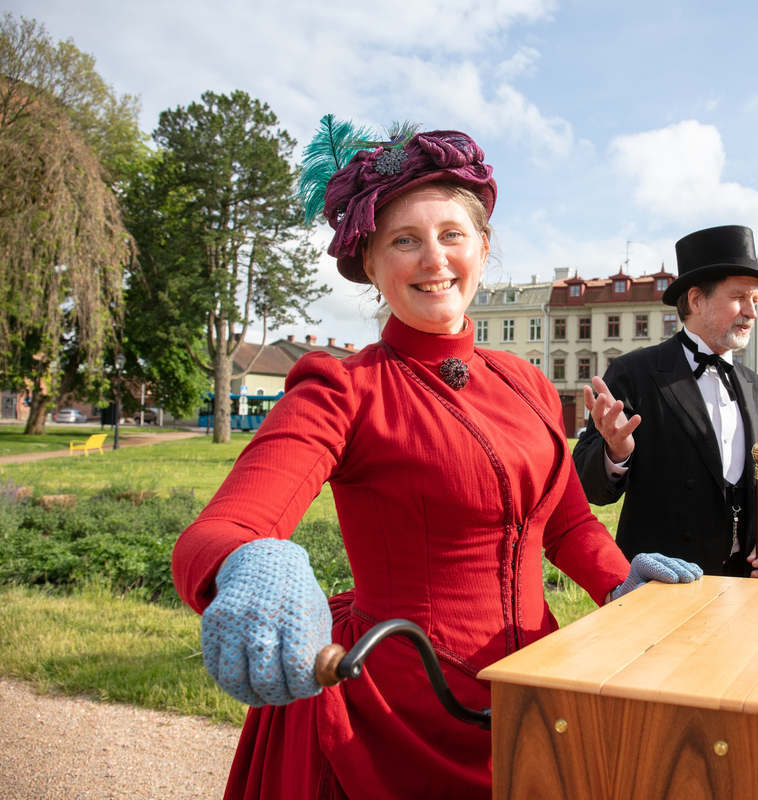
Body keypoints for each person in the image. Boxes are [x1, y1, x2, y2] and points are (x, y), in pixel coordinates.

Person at [171, 124, 701, 800]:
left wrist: (621, 583)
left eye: (452, 234)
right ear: (370, 264)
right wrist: (251, 563)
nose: (433, 259)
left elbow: (566, 525)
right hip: (395, 720)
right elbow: (220, 530)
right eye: (404, 240)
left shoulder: (528, 383)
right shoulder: (342, 389)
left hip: (535, 691)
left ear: (482, 248)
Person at [573, 225, 758, 578]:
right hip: (664, 580)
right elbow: (587, 485)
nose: (751, 312)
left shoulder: (754, 385)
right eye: (739, 297)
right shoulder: (635, 372)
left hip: (746, 579)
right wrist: (616, 452)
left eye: (755, 300)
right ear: (695, 300)